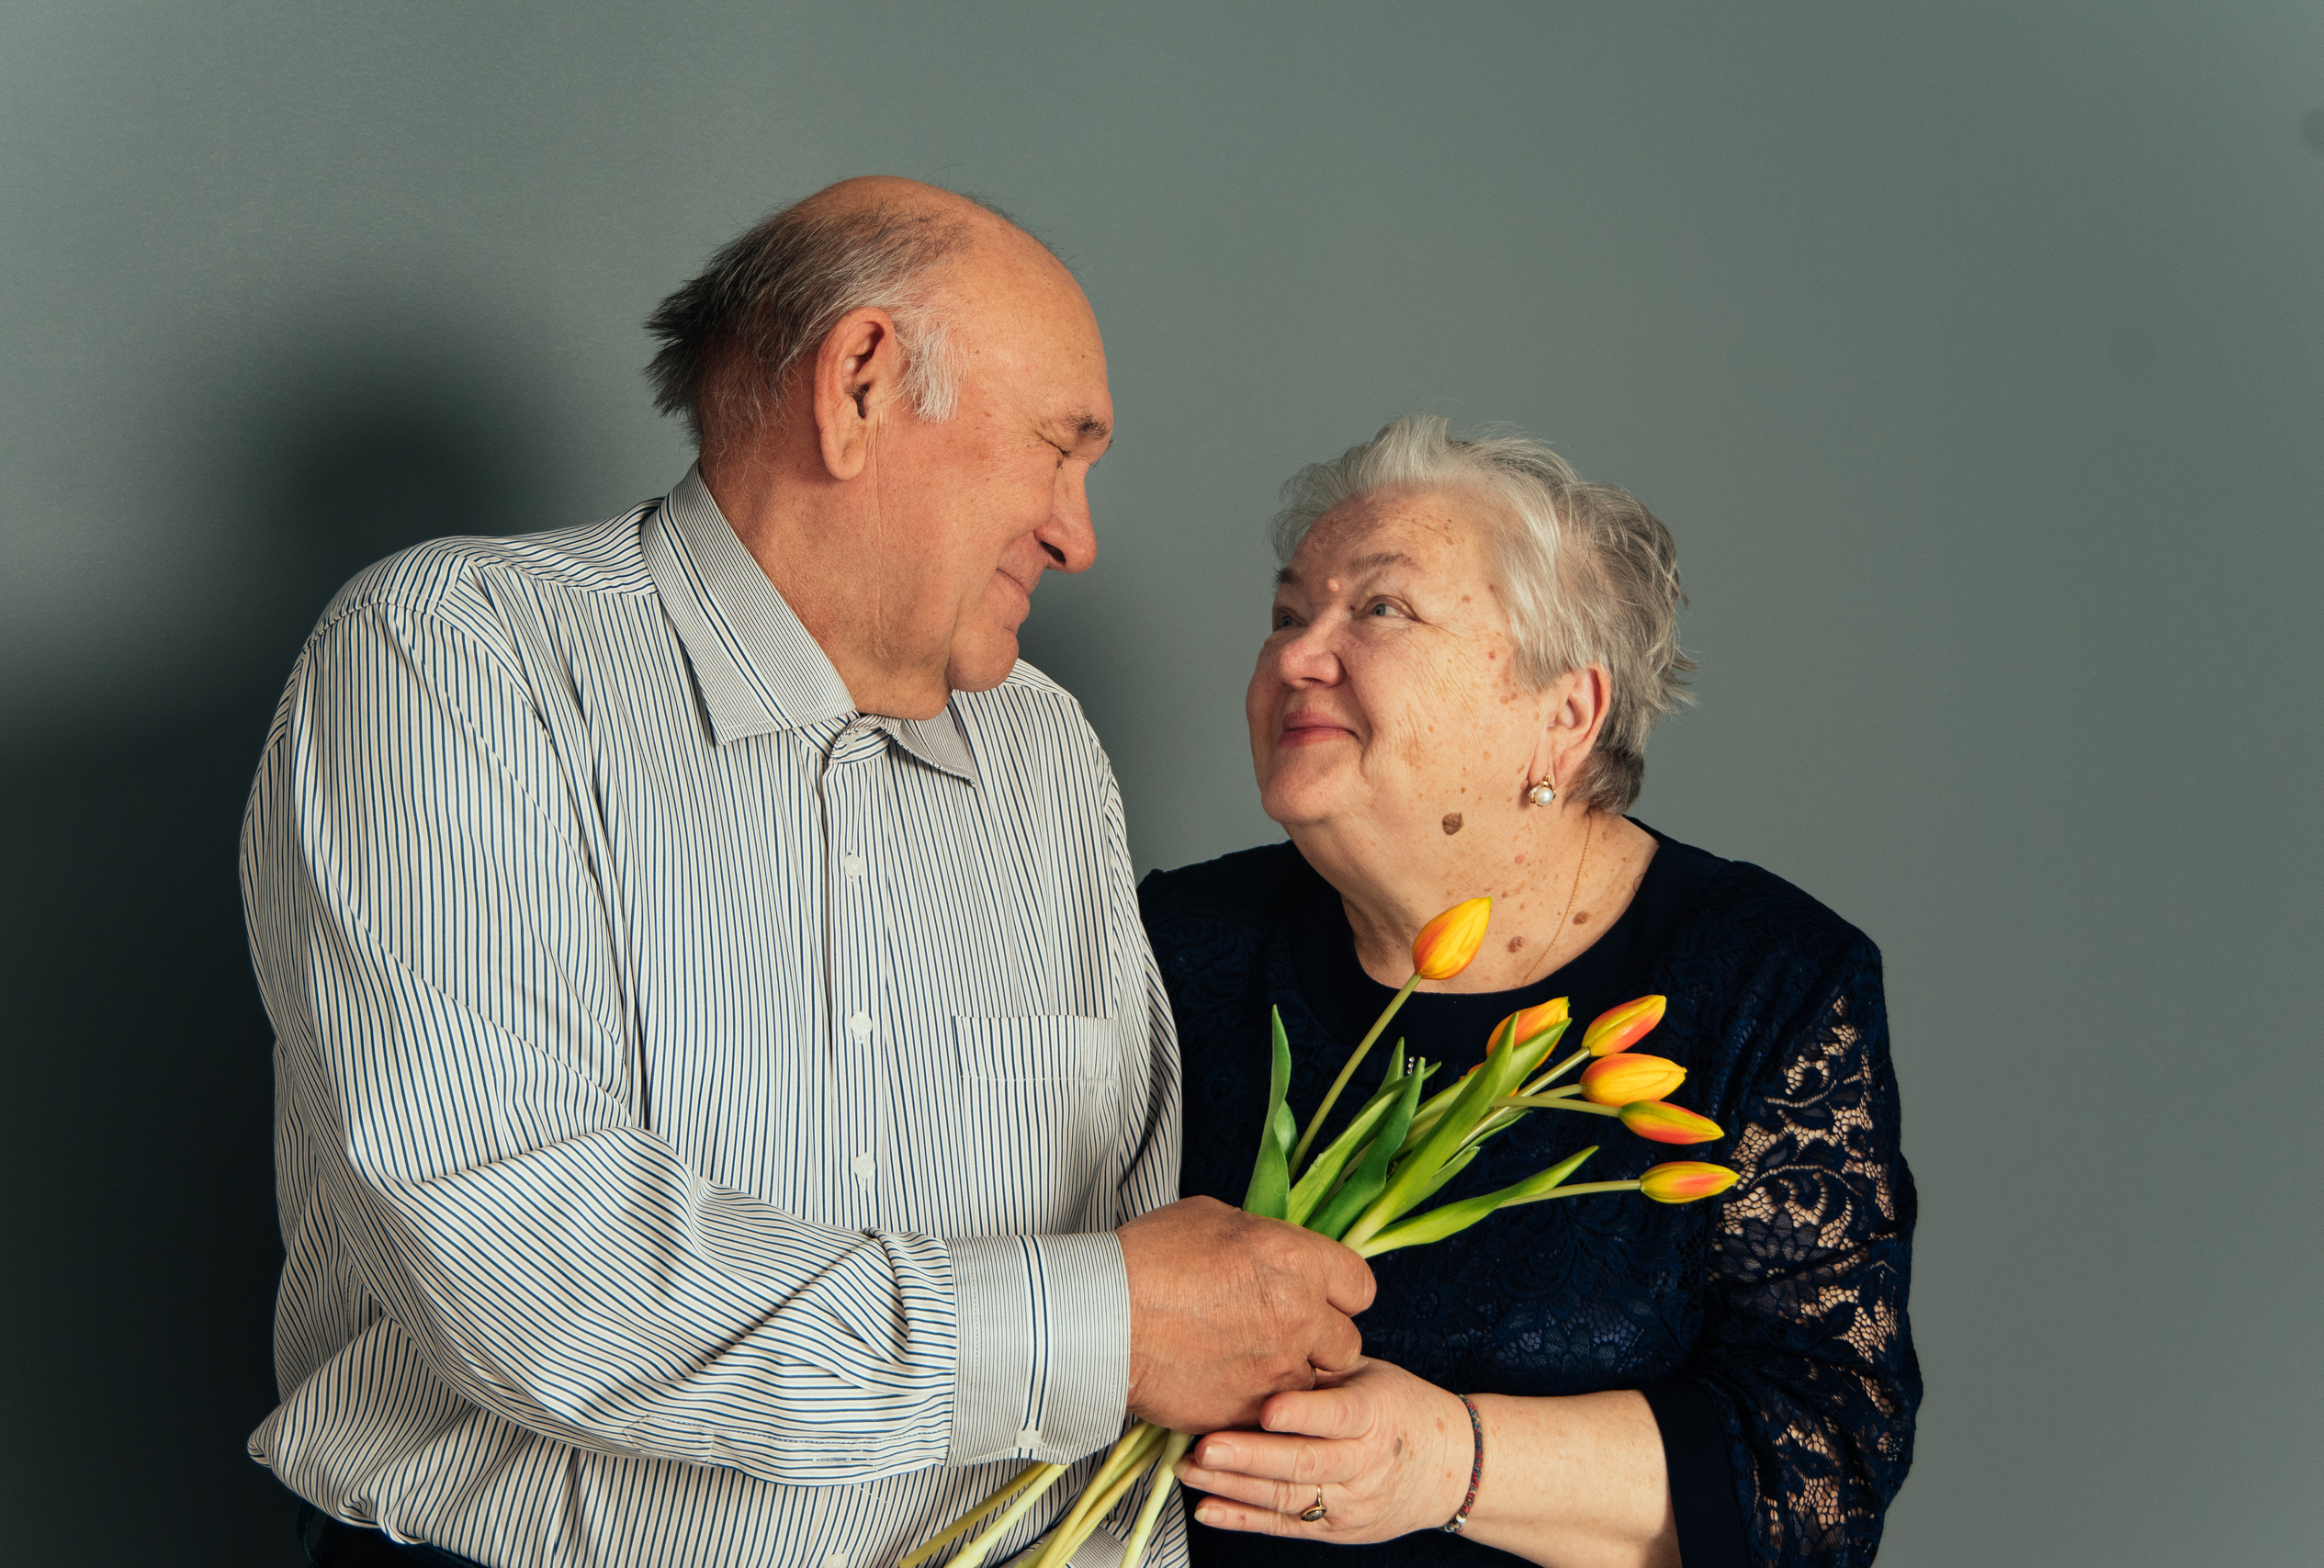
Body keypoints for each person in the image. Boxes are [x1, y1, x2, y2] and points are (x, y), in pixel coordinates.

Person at [243, 177, 1375, 1568]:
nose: (1077, 535)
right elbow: (532, 1260)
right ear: (859, 385)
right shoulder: (457, 659)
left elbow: (1127, 1310)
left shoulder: (1045, 749)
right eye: (1058, 448)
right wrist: (1094, 1327)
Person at [1141, 416, 1918, 1568]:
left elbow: (1818, 1470)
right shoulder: (1172, 943)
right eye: (1287, 613)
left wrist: (1445, 1462)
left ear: (1564, 715)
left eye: (1380, 609)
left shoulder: (1766, 979)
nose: (1297, 656)